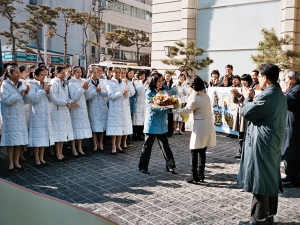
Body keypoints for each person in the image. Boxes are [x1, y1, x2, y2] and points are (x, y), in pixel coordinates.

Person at [237, 64, 287, 225]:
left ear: (265, 78)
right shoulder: (277, 93)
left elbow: (248, 112)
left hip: (263, 144)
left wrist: (247, 97)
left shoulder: (267, 95)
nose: (257, 79)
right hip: (272, 142)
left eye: (259, 76)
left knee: (260, 180)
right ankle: (268, 216)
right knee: (270, 178)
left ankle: (258, 220)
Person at [173, 76, 216, 183]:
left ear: (193, 86)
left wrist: (173, 110)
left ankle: (194, 175)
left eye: (189, 85)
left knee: (194, 150)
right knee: (202, 151)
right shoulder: (205, 95)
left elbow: (185, 111)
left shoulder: (195, 99)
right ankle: (201, 174)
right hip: (208, 125)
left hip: (200, 126)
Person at [138, 72, 177, 175]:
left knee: (165, 146)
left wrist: (173, 103)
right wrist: (169, 109)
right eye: (158, 81)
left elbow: (171, 95)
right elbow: (154, 108)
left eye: (162, 81)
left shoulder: (163, 91)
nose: (161, 83)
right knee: (147, 147)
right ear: (153, 82)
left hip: (161, 123)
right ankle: (143, 167)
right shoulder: (149, 92)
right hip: (152, 123)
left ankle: (171, 166)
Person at [0, 66, 30, 172]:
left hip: (20, 116)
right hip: (10, 117)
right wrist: (19, 94)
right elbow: (5, 100)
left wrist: (26, 94)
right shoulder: (5, 85)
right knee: (11, 141)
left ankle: (17, 161)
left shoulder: (22, 84)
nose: (18, 74)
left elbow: (25, 101)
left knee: (19, 141)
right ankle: (11, 162)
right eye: (16, 73)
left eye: (19, 72)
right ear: (10, 74)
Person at [27, 68, 54, 167]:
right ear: (36, 76)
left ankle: (42, 158)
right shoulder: (32, 85)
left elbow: (51, 99)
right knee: (37, 138)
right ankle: (36, 158)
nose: (44, 77)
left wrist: (48, 91)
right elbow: (33, 99)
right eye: (41, 75)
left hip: (45, 114)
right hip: (37, 114)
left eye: (45, 75)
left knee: (43, 138)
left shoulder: (45, 85)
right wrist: (43, 91)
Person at [49, 66, 74, 161]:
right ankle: (58, 153)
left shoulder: (65, 83)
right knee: (58, 133)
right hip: (57, 110)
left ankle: (60, 152)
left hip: (64, 111)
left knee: (63, 132)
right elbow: (53, 98)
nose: (64, 74)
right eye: (62, 73)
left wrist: (70, 102)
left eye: (65, 72)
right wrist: (65, 103)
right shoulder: (54, 83)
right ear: (56, 73)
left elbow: (67, 96)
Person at [281, 69, 300, 187]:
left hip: (295, 126)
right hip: (290, 124)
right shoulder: (292, 88)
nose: (284, 81)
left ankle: (294, 179)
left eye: (285, 79)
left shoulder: (297, 89)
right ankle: (289, 175)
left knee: (293, 152)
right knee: (288, 151)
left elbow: (286, 101)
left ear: (293, 79)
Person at [106, 67, 132, 154]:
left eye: (119, 72)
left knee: (121, 127)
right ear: (112, 73)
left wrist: (126, 92)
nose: (117, 74)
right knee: (114, 128)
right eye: (116, 72)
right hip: (114, 108)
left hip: (123, 108)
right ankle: (113, 146)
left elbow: (128, 95)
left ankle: (118, 145)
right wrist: (121, 93)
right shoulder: (109, 83)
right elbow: (111, 96)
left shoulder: (123, 83)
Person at [68, 66, 92, 156]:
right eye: (77, 72)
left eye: (80, 72)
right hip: (75, 108)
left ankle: (80, 147)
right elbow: (73, 97)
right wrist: (82, 89)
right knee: (75, 128)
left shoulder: (83, 81)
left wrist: (86, 89)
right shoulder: (70, 83)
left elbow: (88, 96)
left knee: (81, 128)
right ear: (73, 73)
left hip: (82, 107)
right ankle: (73, 148)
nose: (79, 74)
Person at [231, 74, 254, 159]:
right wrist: (234, 95)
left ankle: (245, 151)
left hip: (246, 112)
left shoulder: (251, 90)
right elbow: (235, 101)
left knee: (245, 133)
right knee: (240, 134)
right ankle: (240, 151)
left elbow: (245, 101)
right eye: (242, 80)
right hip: (239, 111)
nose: (243, 82)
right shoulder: (240, 89)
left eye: (245, 80)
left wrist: (237, 94)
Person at [86, 66, 108, 152]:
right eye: (94, 73)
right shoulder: (87, 82)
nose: (96, 74)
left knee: (102, 127)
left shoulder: (103, 82)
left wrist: (101, 91)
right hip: (93, 107)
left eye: (97, 72)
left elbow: (106, 93)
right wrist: (95, 91)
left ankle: (101, 143)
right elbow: (87, 96)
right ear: (90, 73)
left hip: (102, 106)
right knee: (94, 127)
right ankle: (95, 144)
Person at [132, 70, 147, 141]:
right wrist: (143, 86)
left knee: (142, 120)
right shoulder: (135, 82)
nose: (142, 77)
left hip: (144, 104)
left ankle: (141, 134)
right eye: (141, 75)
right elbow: (138, 91)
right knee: (136, 120)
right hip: (137, 103)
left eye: (143, 76)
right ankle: (135, 134)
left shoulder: (145, 83)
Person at [163, 72, 174, 137]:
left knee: (170, 117)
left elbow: (174, 92)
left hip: (170, 102)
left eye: (169, 76)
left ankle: (170, 132)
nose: (168, 77)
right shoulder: (162, 84)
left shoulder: (173, 84)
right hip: (164, 102)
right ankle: (164, 132)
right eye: (166, 76)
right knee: (164, 118)